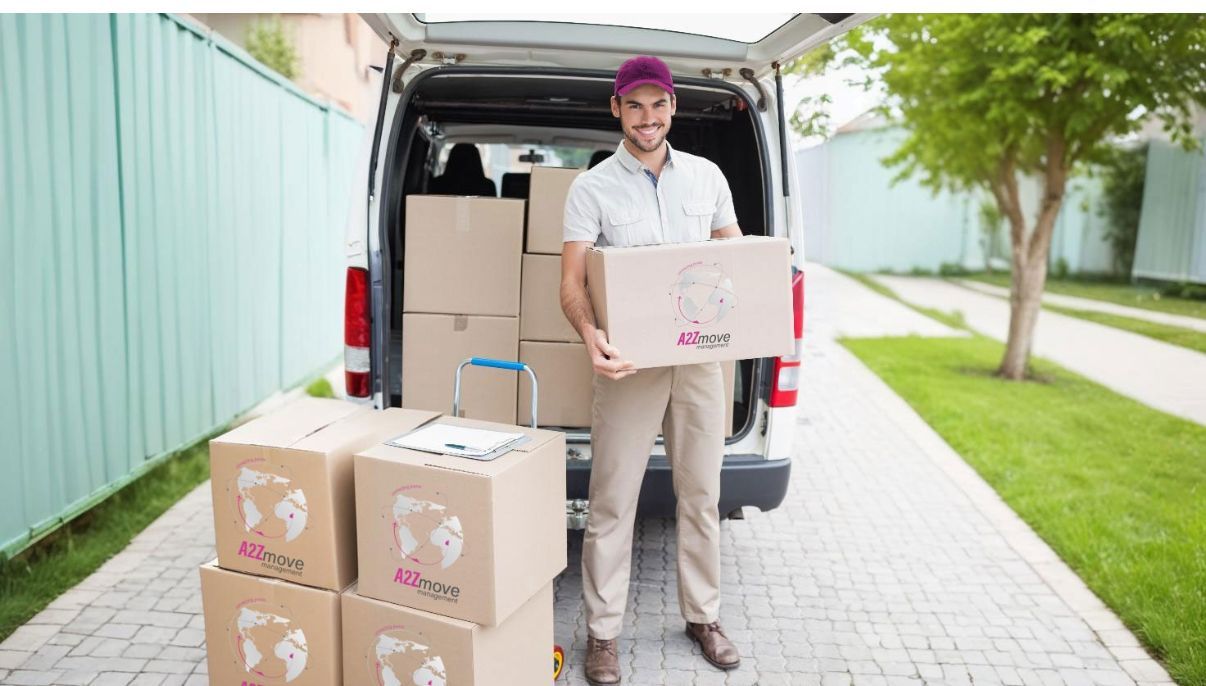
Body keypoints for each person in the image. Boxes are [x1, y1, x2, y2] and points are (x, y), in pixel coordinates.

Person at [560, 55, 743, 684]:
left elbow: (732, 258)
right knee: (612, 500)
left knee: (702, 495)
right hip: (629, 365)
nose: (648, 117)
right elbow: (572, 282)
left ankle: (704, 617)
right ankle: (603, 634)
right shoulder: (592, 188)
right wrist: (591, 338)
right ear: (616, 108)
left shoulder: (708, 178)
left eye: (658, 104)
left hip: (697, 360)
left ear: (673, 108)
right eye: (634, 105)